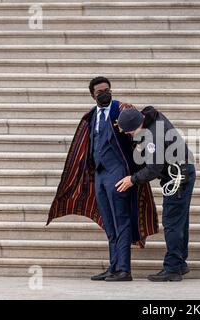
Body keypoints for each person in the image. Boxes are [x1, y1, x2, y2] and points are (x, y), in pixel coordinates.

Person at [47, 76, 158, 282]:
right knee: (108, 222)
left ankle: (124, 269)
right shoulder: (91, 116)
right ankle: (114, 266)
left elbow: (142, 128)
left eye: (107, 89)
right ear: (92, 95)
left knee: (121, 220)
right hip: (99, 175)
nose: (105, 93)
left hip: (118, 174)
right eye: (100, 91)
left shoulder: (122, 110)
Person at [116, 106, 196, 282]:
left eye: (129, 132)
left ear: (136, 125)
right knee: (180, 221)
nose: (129, 135)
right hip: (183, 170)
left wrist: (133, 179)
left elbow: (153, 168)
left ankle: (173, 268)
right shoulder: (152, 118)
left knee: (172, 222)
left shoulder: (153, 136)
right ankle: (180, 263)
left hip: (178, 176)